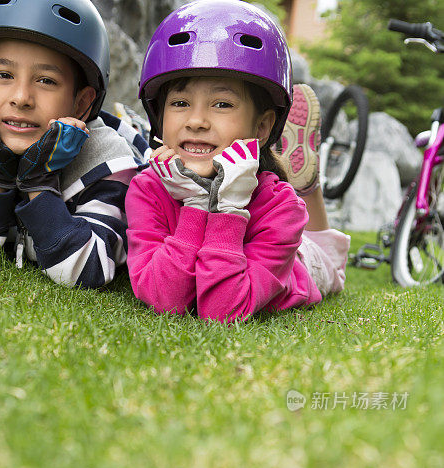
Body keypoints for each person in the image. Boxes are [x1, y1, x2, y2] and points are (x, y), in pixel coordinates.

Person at [125, 0, 349, 323]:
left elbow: (223, 310)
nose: (197, 121)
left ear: (261, 127)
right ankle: (291, 167)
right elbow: (166, 299)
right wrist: (197, 201)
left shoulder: (282, 209)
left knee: (328, 260)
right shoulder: (146, 190)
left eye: (221, 104)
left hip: (298, 265)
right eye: (180, 102)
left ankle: (307, 186)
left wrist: (228, 206)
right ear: (159, 118)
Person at [0, 0, 148, 289]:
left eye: (46, 80)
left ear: (82, 102)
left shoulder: (108, 161)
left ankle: (133, 124)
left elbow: (90, 270)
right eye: (4, 75)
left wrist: (39, 183)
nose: (21, 97)